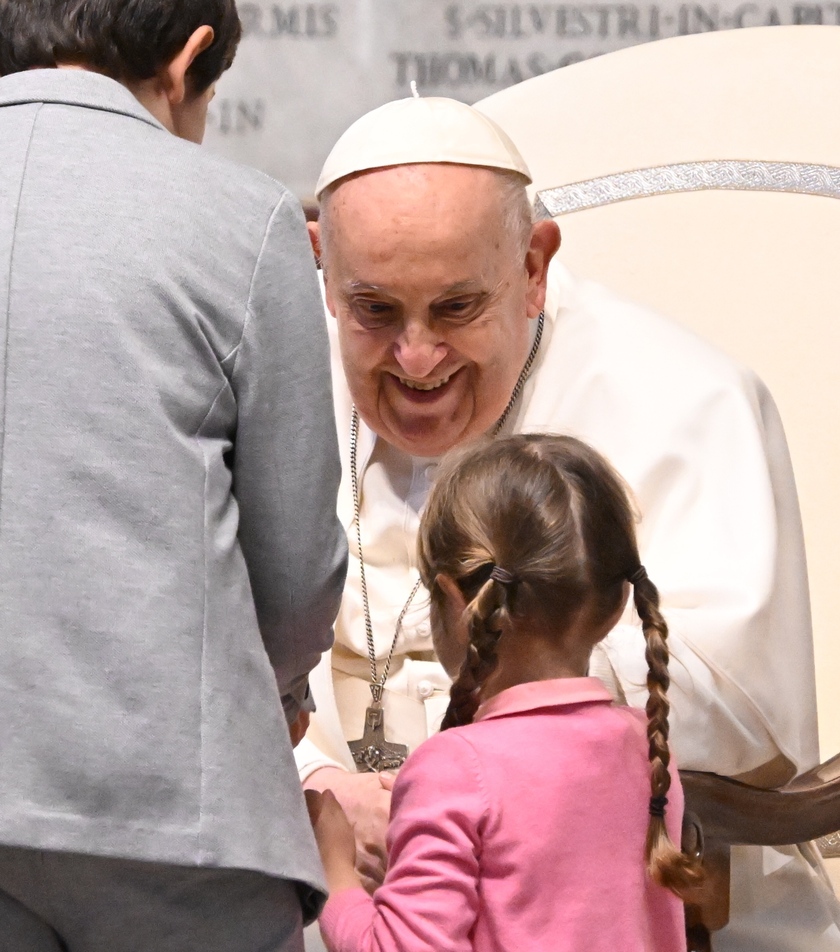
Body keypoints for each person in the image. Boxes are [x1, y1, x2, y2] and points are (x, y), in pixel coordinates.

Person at [297, 95, 840, 951]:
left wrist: (463, 793)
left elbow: (740, 706)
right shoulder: (268, 380)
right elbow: (194, 640)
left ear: (535, 266)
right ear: (323, 267)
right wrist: (316, 784)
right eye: (373, 310)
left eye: (456, 308)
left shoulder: (690, 401)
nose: (416, 360)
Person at [0, 2, 346, 950]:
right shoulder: (241, 216)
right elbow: (296, 569)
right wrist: (274, 692)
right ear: (190, 60)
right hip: (165, 803)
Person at [308, 433, 699, 952]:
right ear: (617, 604)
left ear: (452, 598)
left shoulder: (455, 772)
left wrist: (334, 872)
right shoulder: (648, 750)